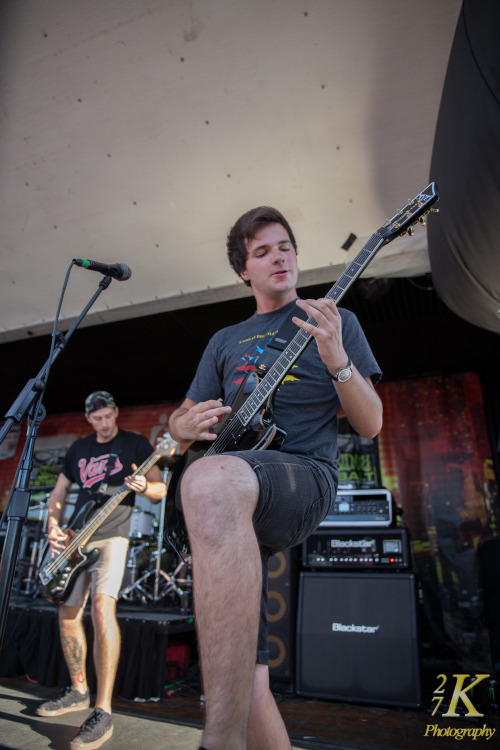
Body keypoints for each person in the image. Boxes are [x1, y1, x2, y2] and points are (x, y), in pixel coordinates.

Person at [168, 206, 383, 750]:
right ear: (244, 269)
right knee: (246, 673)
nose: (278, 256)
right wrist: (182, 425)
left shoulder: (331, 320)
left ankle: (218, 742)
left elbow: (371, 423)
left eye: (284, 245)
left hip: (303, 478)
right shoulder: (225, 339)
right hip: (234, 486)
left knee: (209, 481)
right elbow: (182, 418)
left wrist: (336, 358)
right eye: (262, 251)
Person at [36, 391, 166, 750]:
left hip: (112, 536)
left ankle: (102, 709)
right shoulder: (78, 449)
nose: (105, 423)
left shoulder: (136, 443)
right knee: (66, 613)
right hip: (78, 538)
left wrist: (145, 486)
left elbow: (161, 487)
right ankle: (78, 689)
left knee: (101, 608)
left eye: (109, 416)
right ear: (89, 418)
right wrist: (52, 525)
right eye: (99, 418)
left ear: (117, 413)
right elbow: (60, 492)